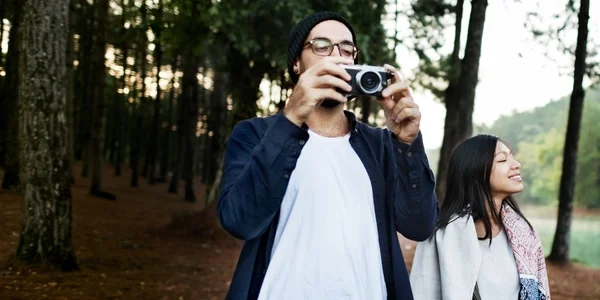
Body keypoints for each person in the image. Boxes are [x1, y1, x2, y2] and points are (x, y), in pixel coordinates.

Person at [217, 11, 438, 300]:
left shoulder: (381, 144)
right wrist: (292, 116)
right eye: (322, 46)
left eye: (347, 49)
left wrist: (407, 144)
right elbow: (239, 220)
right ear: (296, 63)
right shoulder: (255, 134)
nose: (338, 56)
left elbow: (419, 226)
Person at [409, 134, 551, 300]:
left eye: (512, 157)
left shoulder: (524, 234)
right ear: (475, 170)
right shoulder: (442, 235)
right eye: (502, 160)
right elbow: (423, 291)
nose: (516, 164)